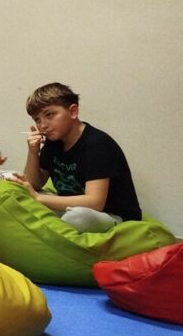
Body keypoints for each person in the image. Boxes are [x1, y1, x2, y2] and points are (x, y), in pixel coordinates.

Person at [8, 82, 141, 232]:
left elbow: (95, 203)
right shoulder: (54, 141)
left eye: (49, 115)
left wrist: (38, 198)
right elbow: (34, 184)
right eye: (37, 119)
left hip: (111, 215)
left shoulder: (97, 144)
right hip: (71, 207)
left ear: (73, 111)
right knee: (13, 188)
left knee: (77, 218)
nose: (43, 125)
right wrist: (33, 152)